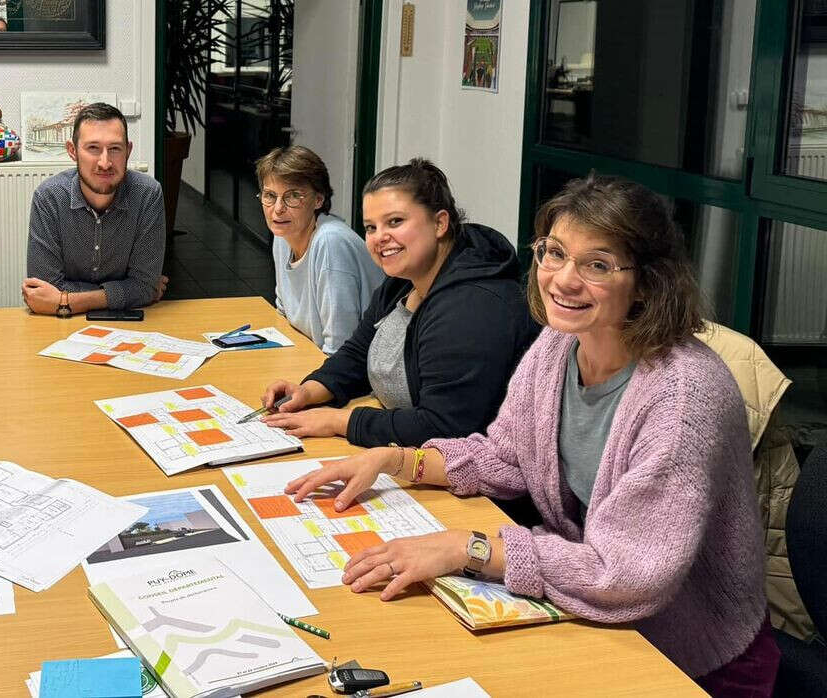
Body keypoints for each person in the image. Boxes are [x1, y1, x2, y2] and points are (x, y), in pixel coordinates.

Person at [285, 175, 778, 697]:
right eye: (555, 253)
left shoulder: (682, 396)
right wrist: (397, 461)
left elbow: (626, 573)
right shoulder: (558, 345)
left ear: (648, 281)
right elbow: (507, 455)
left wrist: (468, 548)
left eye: (597, 265)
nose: (563, 280)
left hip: (685, 656)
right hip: (592, 612)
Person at [260, 158, 536, 446]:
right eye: (371, 227)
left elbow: (443, 425)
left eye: (395, 222)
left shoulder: (474, 308)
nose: (380, 238)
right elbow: (356, 353)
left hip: (473, 479)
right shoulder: (405, 279)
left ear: (440, 223)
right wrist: (311, 389)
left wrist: (340, 421)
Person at [23, 102, 166, 317]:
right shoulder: (49, 197)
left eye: (115, 149)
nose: (105, 162)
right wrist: (128, 291)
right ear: (72, 151)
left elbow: (144, 286)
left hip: (125, 325)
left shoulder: (147, 194)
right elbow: (43, 289)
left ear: (128, 150)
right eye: (93, 148)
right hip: (60, 326)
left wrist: (64, 300)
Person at [256, 145, 382, 355]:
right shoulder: (283, 235)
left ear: (318, 200)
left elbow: (339, 348)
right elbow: (284, 316)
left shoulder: (330, 242)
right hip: (312, 357)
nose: (278, 209)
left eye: (293, 196)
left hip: (360, 374)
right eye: (270, 195)